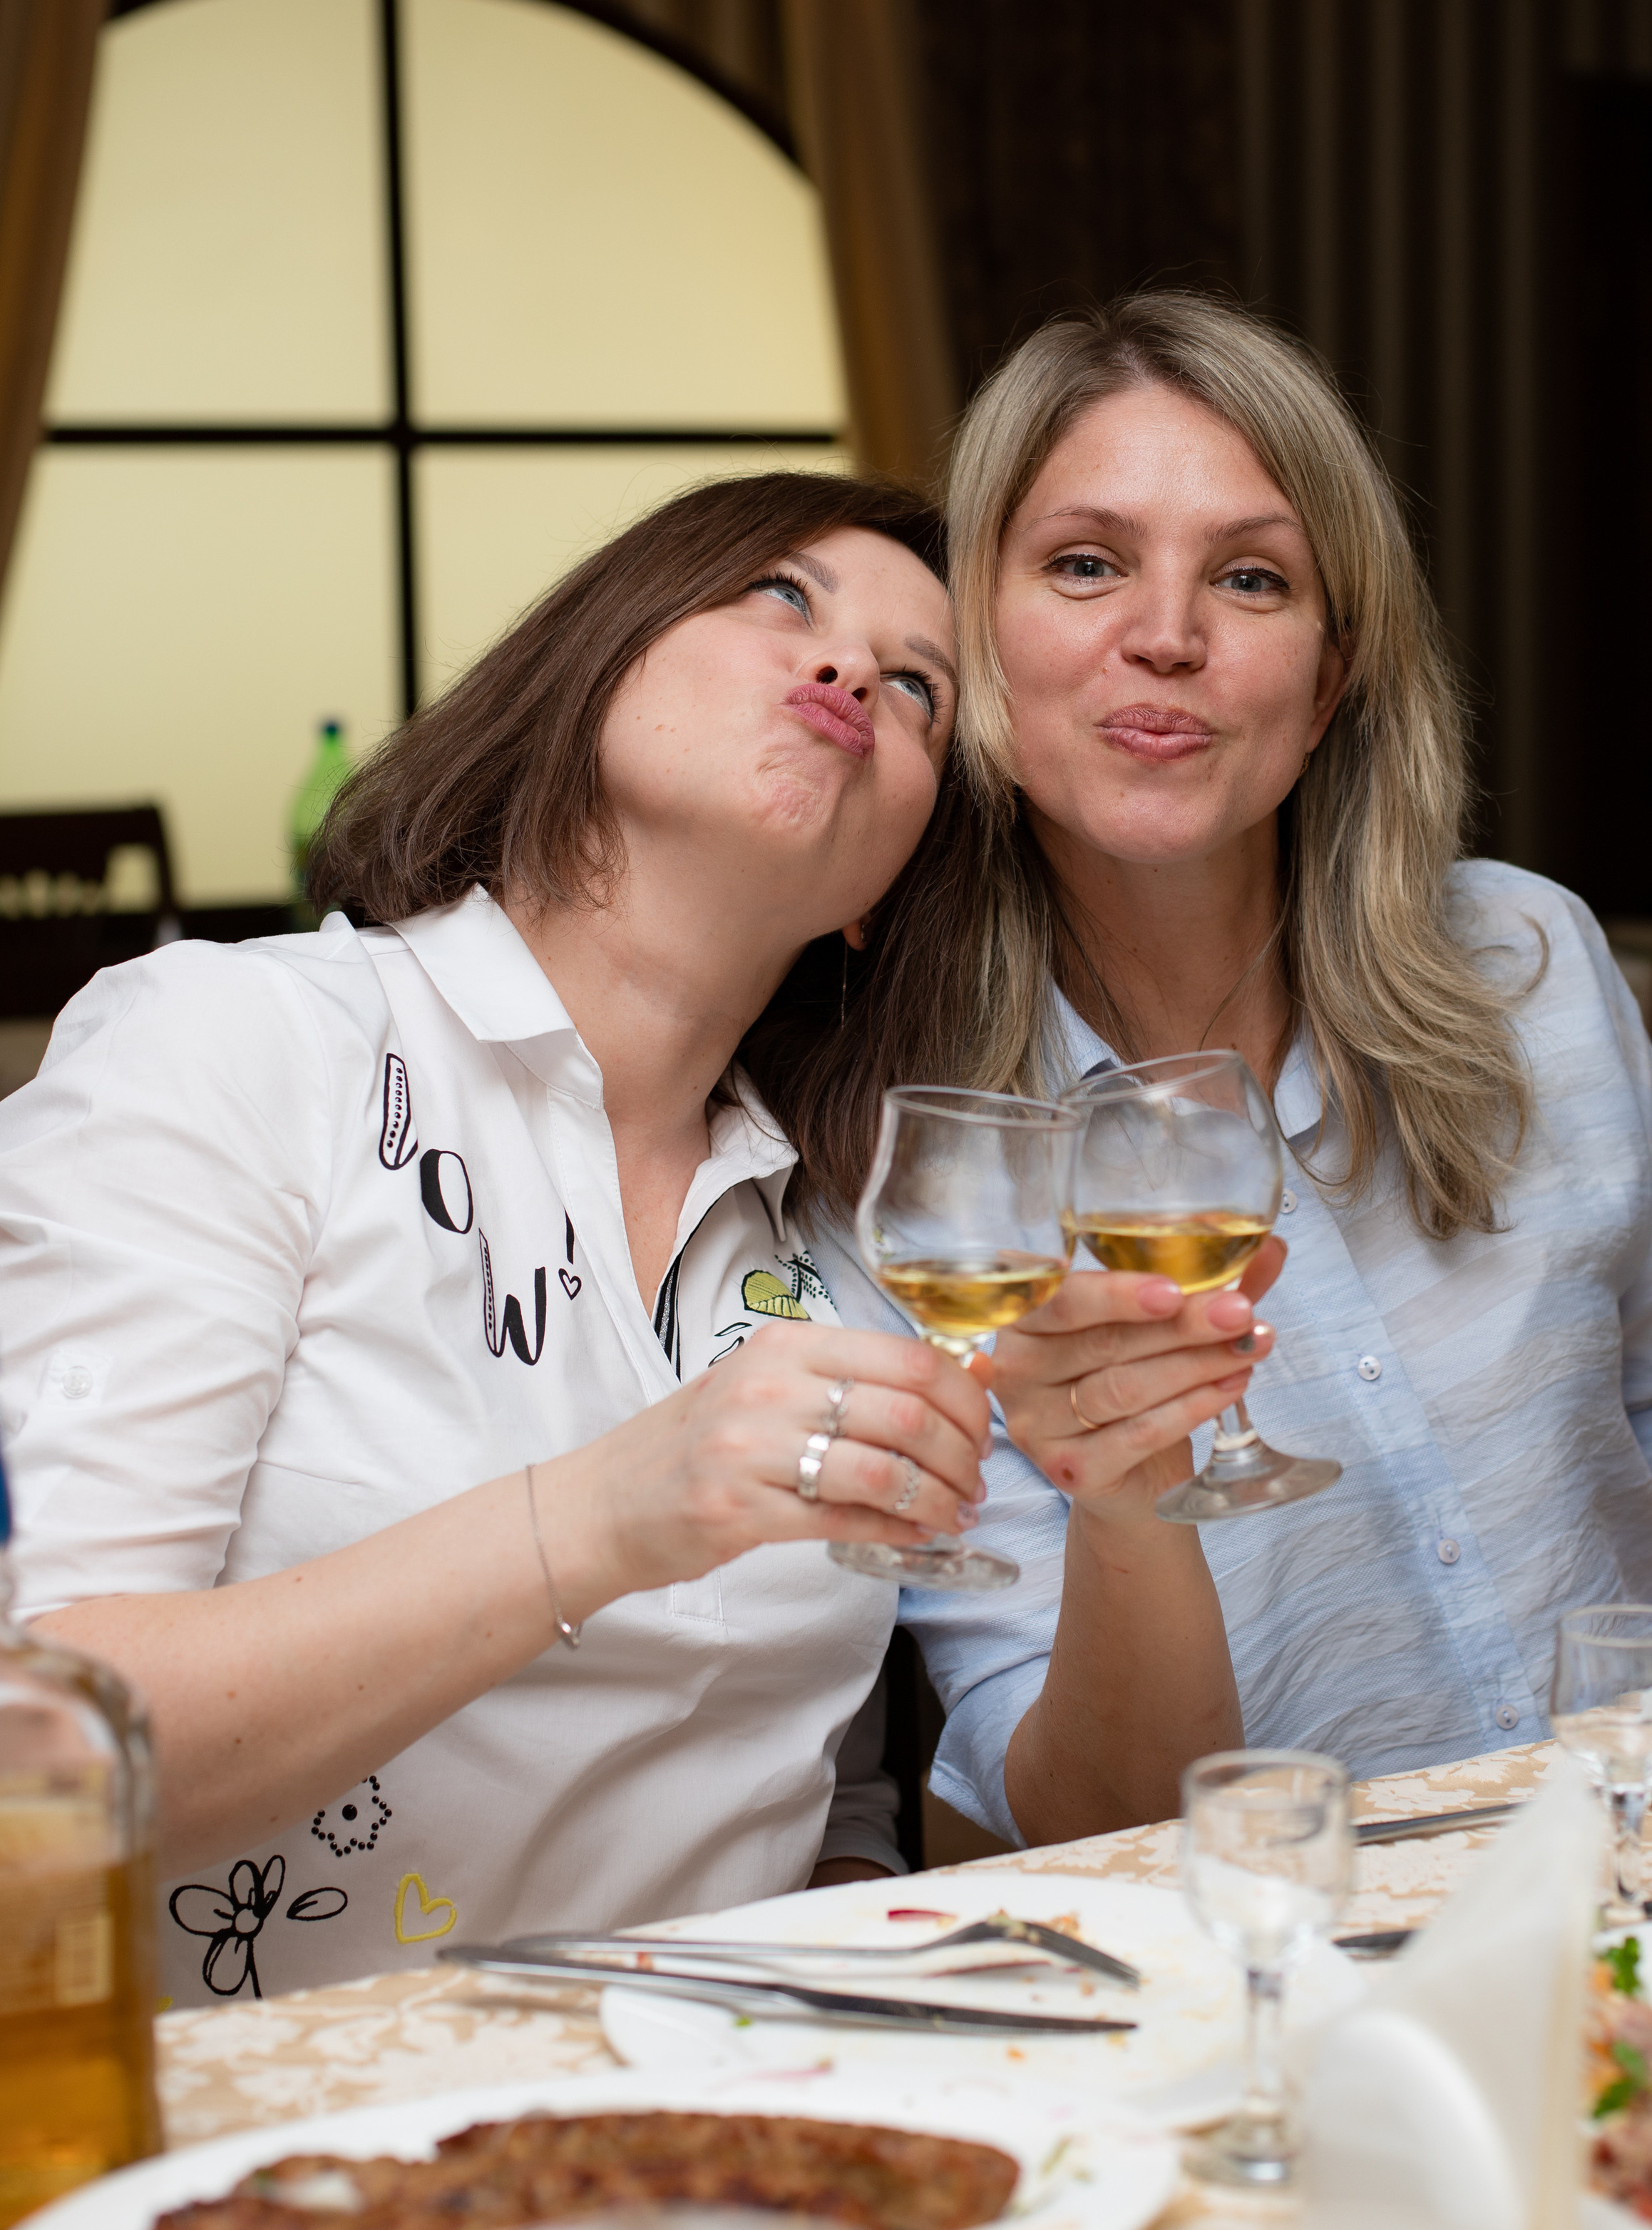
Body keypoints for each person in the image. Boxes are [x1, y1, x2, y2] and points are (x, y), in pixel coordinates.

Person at [0, 471, 1010, 2003]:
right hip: (275, 2120)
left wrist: (848, 1964)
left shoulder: (857, 1229)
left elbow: (828, 1778)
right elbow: (34, 1766)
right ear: (589, 666)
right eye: (782, 594)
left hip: (721, 2107)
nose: (851, 669)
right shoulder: (239, 1047)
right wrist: (600, 1514)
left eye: (919, 686)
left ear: (880, 893)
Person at [835, 291, 1652, 1851]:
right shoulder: (904, 1177)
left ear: (1331, 674)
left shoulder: (1528, 962)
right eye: (1084, 564)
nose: (1167, 633)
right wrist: (1124, 1488)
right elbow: (1089, 1814)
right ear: (975, 634)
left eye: (1251, 577)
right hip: (1285, 1929)